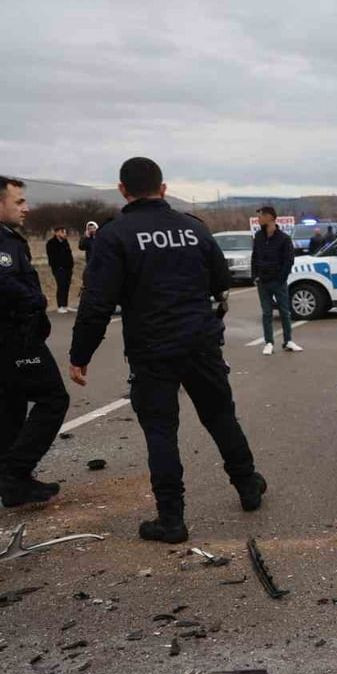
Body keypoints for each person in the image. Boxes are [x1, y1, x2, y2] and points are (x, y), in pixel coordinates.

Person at [69, 157, 268, 543]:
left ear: (123, 190)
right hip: (200, 341)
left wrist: (80, 354)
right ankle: (247, 485)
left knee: (161, 431)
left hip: (152, 348)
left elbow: (97, 302)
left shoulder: (115, 235)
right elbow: (221, 280)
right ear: (163, 189)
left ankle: (171, 519)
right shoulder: (193, 228)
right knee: (220, 416)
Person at [0, 176, 69, 508]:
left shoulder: (9, 238)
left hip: (15, 336)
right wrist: (37, 301)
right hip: (13, 337)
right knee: (53, 398)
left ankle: (14, 484)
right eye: (18, 202)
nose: (26, 208)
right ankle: (14, 472)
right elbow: (4, 284)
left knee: (11, 406)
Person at [251, 206, 301, 355]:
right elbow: (255, 257)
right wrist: (255, 276)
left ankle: (288, 341)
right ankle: (268, 342)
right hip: (263, 281)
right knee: (266, 313)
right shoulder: (259, 236)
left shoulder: (284, 238)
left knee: (285, 312)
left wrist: (281, 279)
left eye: (261, 216)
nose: (258, 219)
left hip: (278, 282)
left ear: (270, 217)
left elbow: (289, 260)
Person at [45, 226, 75, 313]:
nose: (64, 234)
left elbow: (69, 254)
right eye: (62, 232)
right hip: (58, 268)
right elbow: (52, 257)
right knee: (61, 285)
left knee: (66, 286)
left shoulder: (65, 242)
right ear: (57, 233)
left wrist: (71, 264)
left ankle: (65, 305)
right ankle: (60, 306)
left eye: (65, 232)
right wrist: (57, 266)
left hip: (68, 268)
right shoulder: (51, 243)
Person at [78, 221, 98, 301]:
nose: (92, 230)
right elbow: (81, 247)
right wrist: (85, 237)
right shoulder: (87, 239)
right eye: (90, 228)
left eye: (93, 228)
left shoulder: (101, 237)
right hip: (90, 263)